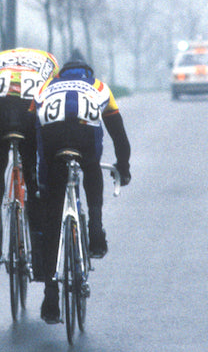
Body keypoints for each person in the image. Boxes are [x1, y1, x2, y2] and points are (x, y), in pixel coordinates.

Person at [31, 52, 132, 324]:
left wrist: (39, 182)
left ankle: (51, 294)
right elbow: (118, 133)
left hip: (52, 141)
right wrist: (123, 166)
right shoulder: (99, 87)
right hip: (85, 138)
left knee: (52, 218)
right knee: (91, 167)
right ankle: (96, 229)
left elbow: (34, 133)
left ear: (62, 73)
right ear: (88, 71)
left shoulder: (45, 87)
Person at [0, 47, 59, 267]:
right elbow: (53, 103)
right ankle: (39, 249)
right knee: (33, 175)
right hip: (29, 108)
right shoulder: (50, 61)